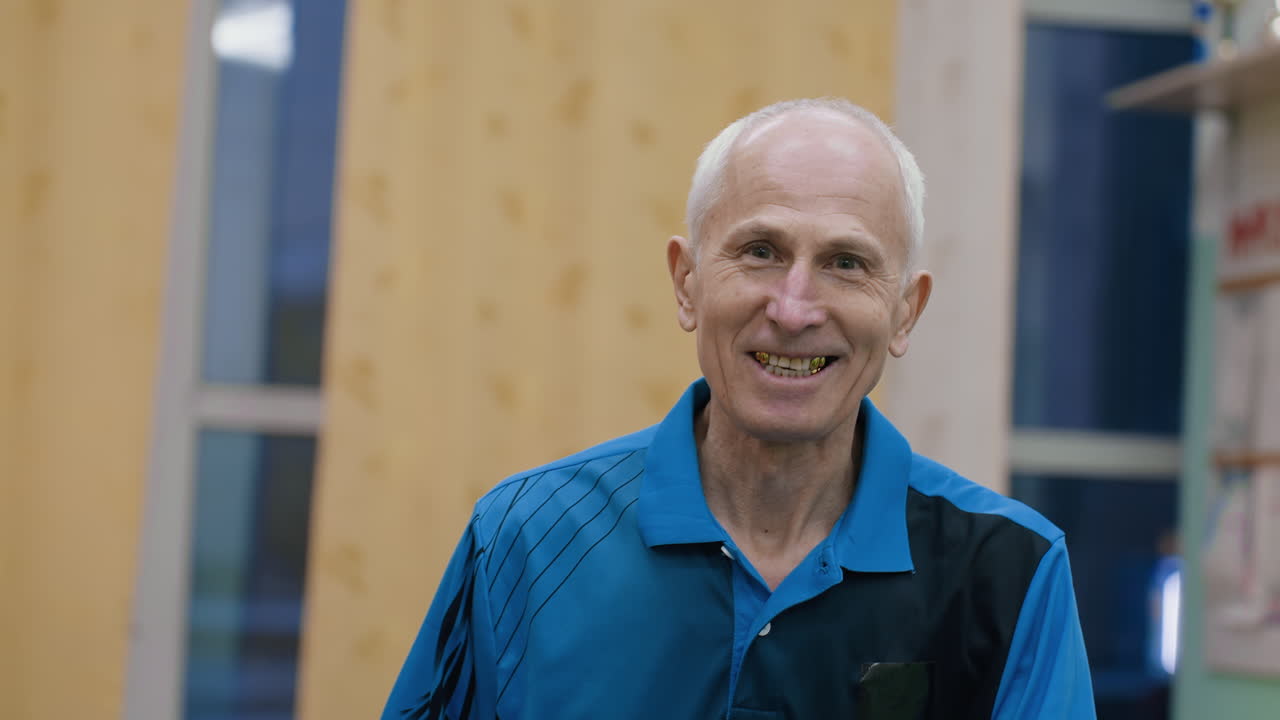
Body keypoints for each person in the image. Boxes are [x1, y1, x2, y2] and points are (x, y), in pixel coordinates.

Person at [382, 98, 1096, 719]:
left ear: (905, 312)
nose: (792, 309)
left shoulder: (1011, 571)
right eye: (760, 250)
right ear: (687, 283)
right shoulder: (522, 541)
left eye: (846, 263)